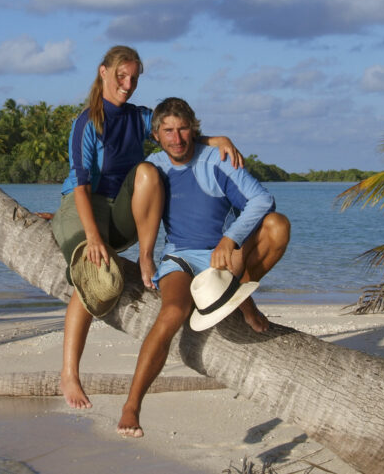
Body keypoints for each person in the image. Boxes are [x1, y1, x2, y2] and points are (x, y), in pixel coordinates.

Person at [51, 46, 243, 410]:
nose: (128, 84)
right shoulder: (87, 123)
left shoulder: (140, 118)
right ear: (103, 72)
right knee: (93, 277)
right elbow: (79, 184)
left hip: (124, 212)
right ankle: (69, 373)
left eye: (134, 78)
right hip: (85, 204)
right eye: (121, 76)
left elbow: (174, 136)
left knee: (147, 171)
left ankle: (145, 259)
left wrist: (215, 140)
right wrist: (92, 236)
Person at [115, 97, 291, 438]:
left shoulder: (217, 159)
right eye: (168, 130)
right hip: (179, 255)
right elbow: (112, 194)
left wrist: (231, 239)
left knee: (278, 225)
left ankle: (242, 295)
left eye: (183, 129)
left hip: (224, 256)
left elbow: (262, 200)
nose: (177, 138)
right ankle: (132, 405)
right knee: (172, 313)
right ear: (156, 136)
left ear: (194, 130)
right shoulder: (153, 168)